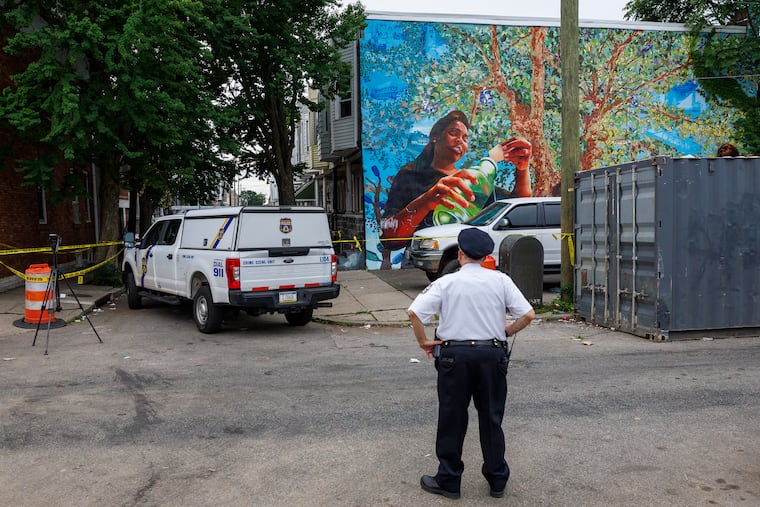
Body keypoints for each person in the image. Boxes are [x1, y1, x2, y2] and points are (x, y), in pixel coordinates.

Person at [408, 227, 536, 500]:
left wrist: (423, 342)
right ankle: (497, 478)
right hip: (492, 355)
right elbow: (528, 314)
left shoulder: (446, 282)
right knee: (491, 417)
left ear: (460, 254)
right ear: (486, 256)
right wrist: (507, 331)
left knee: (452, 417)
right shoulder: (501, 280)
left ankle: (449, 479)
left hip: (455, 357)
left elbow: (415, 312)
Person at [379, 110, 533, 250]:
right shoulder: (411, 175)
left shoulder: (470, 183)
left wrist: (522, 169)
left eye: (465, 138)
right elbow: (389, 237)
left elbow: (517, 205)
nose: (460, 141)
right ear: (435, 137)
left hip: (471, 261)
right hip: (425, 265)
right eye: (454, 133)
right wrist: (426, 202)